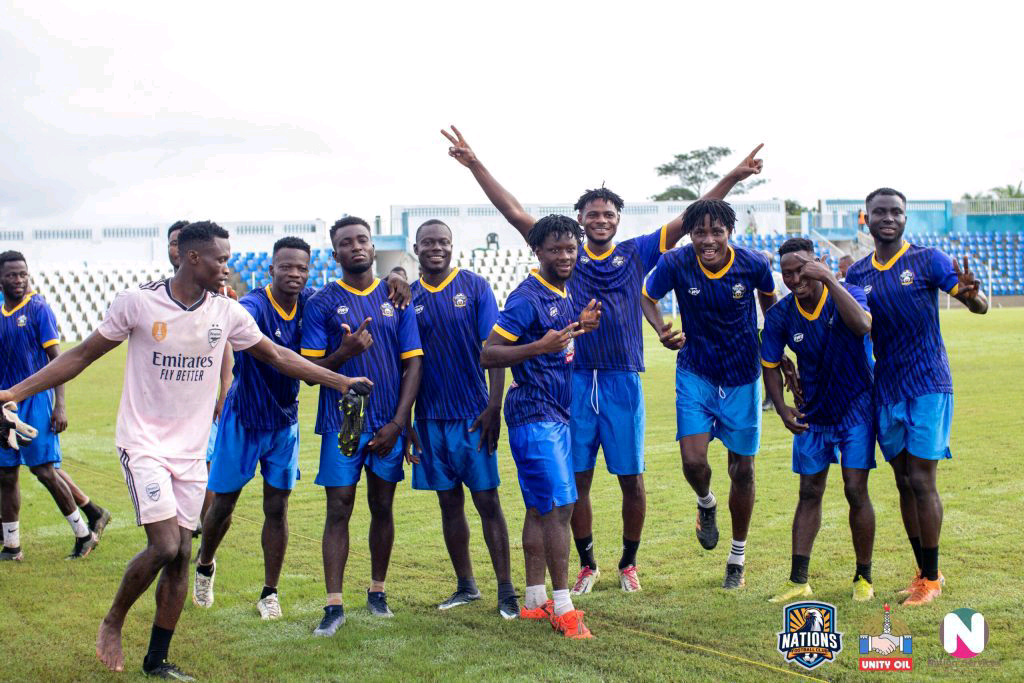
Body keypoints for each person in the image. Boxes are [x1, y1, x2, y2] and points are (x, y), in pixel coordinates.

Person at [0, 222, 372, 679]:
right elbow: (79, 356)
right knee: (165, 544)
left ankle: (157, 659)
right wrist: (10, 394)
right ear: (193, 258)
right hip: (143, 445)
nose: (227, 267)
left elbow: (278, 356)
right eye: (221, 259)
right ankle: (113, 621)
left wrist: (340, 381)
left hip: (191, 453)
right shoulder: (138, 303)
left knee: (180, 555)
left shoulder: (226, 312)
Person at [442, 124, 763, 594]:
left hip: (622, 379)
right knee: (578, 479)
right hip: (571, 382)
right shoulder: (563, 254)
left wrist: (732, 177)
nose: (600, 220)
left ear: (618, 219)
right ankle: (588, 563)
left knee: (632, 478)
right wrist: (475, 165)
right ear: (580, 219)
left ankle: (628, 563)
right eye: (592, 213)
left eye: (608, 214)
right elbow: (513, 213)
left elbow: (692, 217)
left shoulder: (636, 253)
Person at [845, 188, 988, 607]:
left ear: (905, 218)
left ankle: (930, 579)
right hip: (887, 386)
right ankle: (926, 571)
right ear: (867, 218)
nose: (889, 218)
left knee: (923, 480)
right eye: (880, 212)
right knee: (903, 481)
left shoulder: (929, 260)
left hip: (928, 382)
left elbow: (977, 305)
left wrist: (973, 296)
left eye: (897, 212)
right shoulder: (858, 274)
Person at [641, 199, 777, 590]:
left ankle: (737, 558)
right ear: (690, 234)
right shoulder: (675, 262)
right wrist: (661, 330)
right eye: (699, 232)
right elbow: (647, 296)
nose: (708, 240)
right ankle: (706, 502)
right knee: (693, 461)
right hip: (695, 371)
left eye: (717, 231)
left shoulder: (753, 263)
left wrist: (774, 345)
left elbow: (770, 303)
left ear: (729, 232)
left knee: (743, 470)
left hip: (742, 375)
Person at [300, 216, 422, 636]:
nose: (355, 246)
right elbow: (310, 371)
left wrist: (398, 422)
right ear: (335, 253)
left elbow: (413, 364)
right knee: (339, 508)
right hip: (343, 422)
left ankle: (378, 592)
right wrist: (345, 352)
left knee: (382, 506)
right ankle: (333, 605)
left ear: (372, 247)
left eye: (362, 240)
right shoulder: (320, 303)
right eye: (346, 242)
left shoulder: (396, 297)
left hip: (387, 421)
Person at [481, 214, 601, 639]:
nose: (565, 256)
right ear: (538, 251)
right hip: (535, 415)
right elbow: (489, 353)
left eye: (570, 249)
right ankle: (564, 607)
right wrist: (538, 346)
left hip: (555, 413)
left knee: (539, 506)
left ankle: (534, 600)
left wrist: (578, 328)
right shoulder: (526, 297)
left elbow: (554, 344)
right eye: (555, 250)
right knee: (560, 508)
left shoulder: (563, 291)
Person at [192, 237, 316, 620]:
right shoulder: (254, 305)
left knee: (277, 507)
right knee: (223, 504)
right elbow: (232, 319)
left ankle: (269, 593)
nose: (294, 273)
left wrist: (395, 281)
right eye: (286, 266)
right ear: (271, 269)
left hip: (284, 422)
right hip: (243, 419)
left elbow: (347, 294)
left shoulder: (310, 303)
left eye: (301, 268)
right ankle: (205, 564)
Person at [406, 219, 518, 617]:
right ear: (416, 248)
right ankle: (466, 585)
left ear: (452, 246)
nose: (436, 248)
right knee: (448, 504)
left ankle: (506, 590)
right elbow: (406, 365)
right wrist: (407, 422)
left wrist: (494, 406)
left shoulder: (475, 287)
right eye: (428, 242)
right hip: (429, 418)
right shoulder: (409, 296)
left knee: (488, 501)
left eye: (443, 242)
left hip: (473, 415)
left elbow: (495, 350)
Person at [760, 238, 877, 603]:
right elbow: (769, 364)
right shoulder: (781, 315)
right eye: (787, 273)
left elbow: (862, 325)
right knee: (809, 492)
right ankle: (798, 580)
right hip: (813, 412)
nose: (795, 279)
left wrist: (828, 279)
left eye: (802, 269)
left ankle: (863, 577)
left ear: (819, 263)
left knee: (855, 490)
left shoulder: (848, 293)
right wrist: (783, 409)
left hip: (855, 407)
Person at [0, 251, 110, 561]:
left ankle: (83, 534)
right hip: (5, 403)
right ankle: (12, 546)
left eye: (23, 274)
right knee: (6, 474)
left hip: (36, 400)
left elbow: (58, 362)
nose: (19, 280)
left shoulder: (38, 309)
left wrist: (59, 406)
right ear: (0, 279)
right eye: (11, 275)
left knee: (44, 470)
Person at [167, 219, 233, 539]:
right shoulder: (155, 296)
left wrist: (225, 389)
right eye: (172, 242)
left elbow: (228, 345)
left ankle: (202, 534)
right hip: (166, 407)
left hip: (202, 403)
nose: (175, 248)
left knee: (204, 464)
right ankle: (181, 527)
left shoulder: (221, 296)